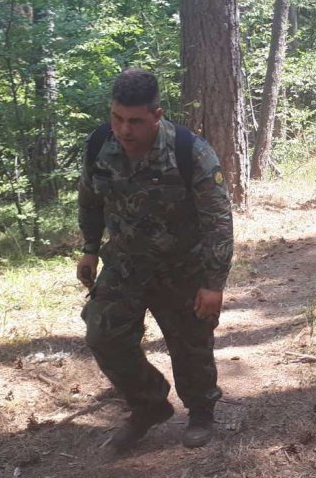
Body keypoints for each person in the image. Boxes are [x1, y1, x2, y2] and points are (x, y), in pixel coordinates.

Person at [77, 68, 233, 451]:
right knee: (103, 332)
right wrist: (90, 247)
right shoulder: (100, 144)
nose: (124, 130)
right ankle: (148, 404)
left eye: (135, 121)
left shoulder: (189, 151)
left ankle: (201, 411)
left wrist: (213, 284)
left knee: (191, 344)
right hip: (125, 264)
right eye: (117, 118)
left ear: (157, 115)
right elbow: (89, 198)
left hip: (182, 267)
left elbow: (218, 219)